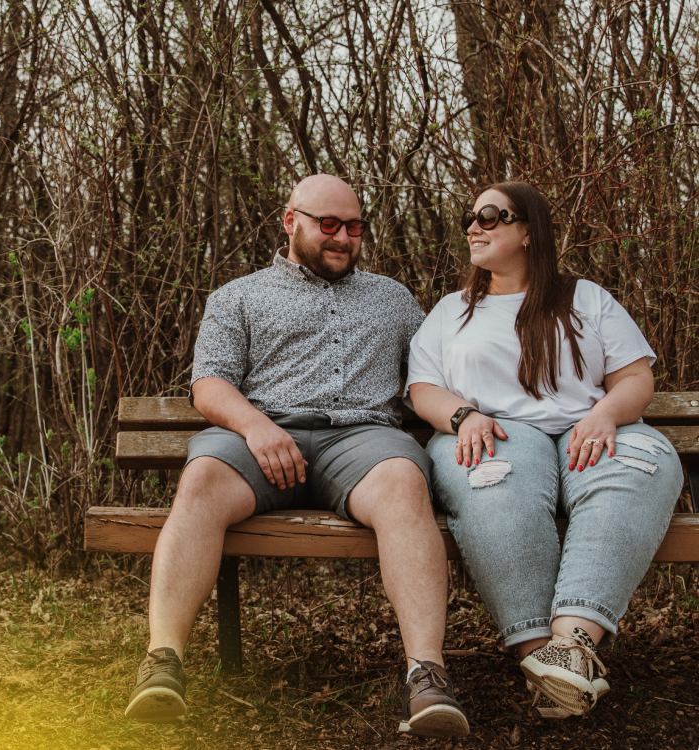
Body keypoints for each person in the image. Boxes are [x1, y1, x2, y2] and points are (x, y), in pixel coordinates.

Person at [124, 174, 470, 739]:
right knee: (202, 481)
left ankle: (426, 674)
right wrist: (256, 427)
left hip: (362, 440)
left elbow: (435, 376)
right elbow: (209, 386)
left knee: (406, 482)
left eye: (353, 227)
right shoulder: (238, 296)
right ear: (291, 221)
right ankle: (163, 663)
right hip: (260, 436)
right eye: (327, 224)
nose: (342, 238)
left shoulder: (395, 300)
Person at [407, 181, 683, 718]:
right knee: (491, 482)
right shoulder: (452, 310)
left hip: (594, 429)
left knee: (640, 467)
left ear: (529, 230)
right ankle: (541, 658)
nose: (474, 226)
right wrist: (463, 416)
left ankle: (573, 646)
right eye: (471, 217)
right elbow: (423, 389)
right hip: (495, 432)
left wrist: (605, 414)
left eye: (491, 215)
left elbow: (634, 377)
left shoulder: (585, 297)